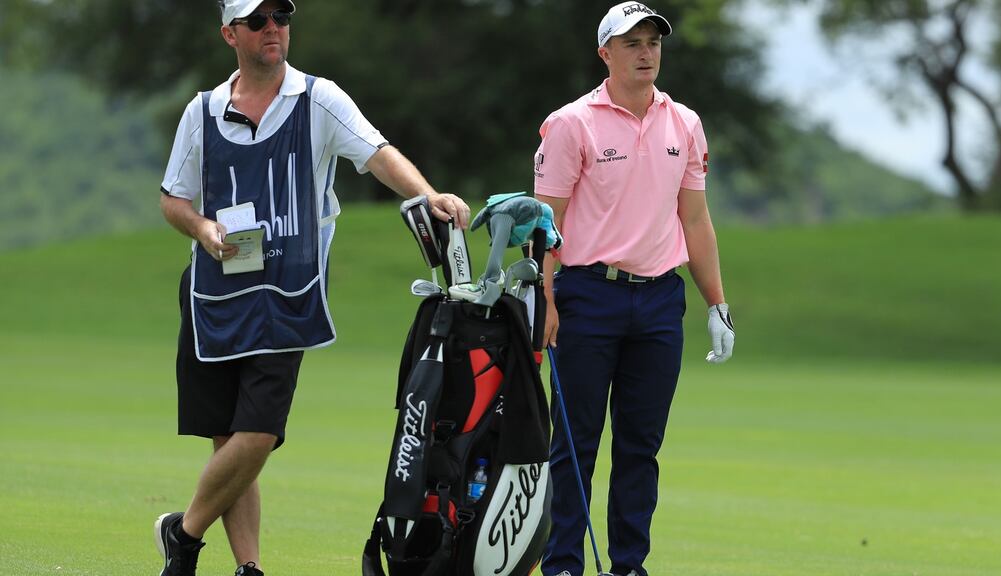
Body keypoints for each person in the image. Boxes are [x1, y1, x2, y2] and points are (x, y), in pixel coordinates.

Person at [154, 1, 470, 575]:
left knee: (258, 434)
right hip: (214, 295)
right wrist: (201, 227)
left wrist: (428, 195)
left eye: (281, 17)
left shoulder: (317, 98)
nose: (273, 28)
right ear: (230, 34)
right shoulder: (201, 112)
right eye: (258, 21)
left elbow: (377, 154)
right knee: (228, 442)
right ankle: (247, 567)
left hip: (287, 295)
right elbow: (173, 196)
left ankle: (185, 534)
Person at [532, 3, 736, 576]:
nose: (646, 53)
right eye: (631, 44)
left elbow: (695, 221)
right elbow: (544, 225)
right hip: (586, 296)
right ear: (606, 54)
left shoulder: (684, 124)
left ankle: (629, 565)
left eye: (652, 43)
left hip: (659, 299)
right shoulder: (572, 123)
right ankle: (564, 564)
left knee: (641, 447)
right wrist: (543, 300)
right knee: (575, 445)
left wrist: (717, 304)